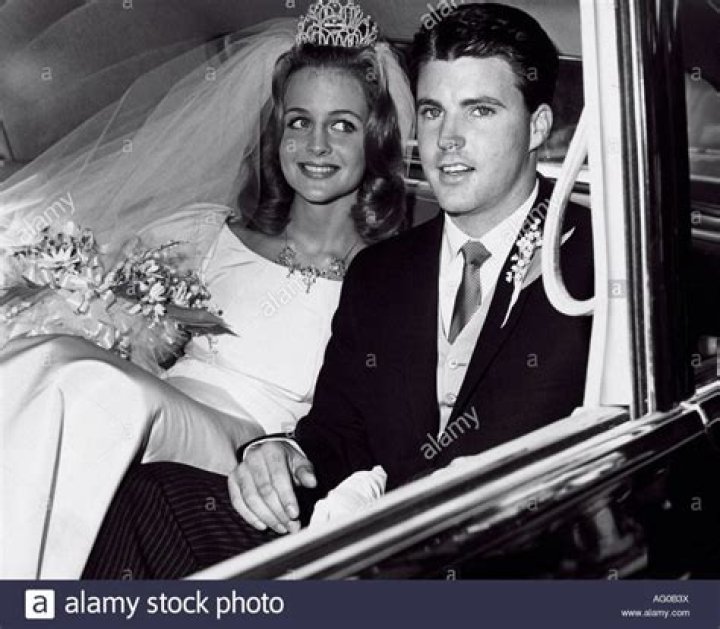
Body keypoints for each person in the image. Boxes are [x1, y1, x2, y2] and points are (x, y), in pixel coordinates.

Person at [84, 2, 594, 579]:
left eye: (479, 111)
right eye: (433, 111)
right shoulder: (382, 272)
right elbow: (337, 429)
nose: (448, 140)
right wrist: (282, 452)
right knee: (151, 495)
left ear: (538, 127)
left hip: (508, 563)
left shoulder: (601, 261)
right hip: (357, 544)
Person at [0, 4, 414, 579]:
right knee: (41, 355)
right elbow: (132, 317)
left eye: (342, 125)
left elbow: (367, 426)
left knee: (96, 386)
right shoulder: (207, 233)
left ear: (374, 137)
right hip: (158, 405)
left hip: (244, 443)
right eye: (299, 122)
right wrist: (111, 311)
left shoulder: (388, 281)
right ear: (278, 131)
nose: (316, 145)